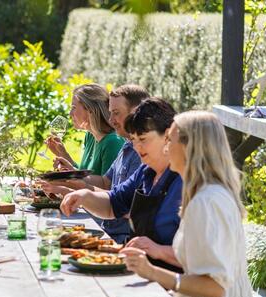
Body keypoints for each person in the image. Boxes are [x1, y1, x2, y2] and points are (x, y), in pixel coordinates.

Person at [120, 111, 257, 297]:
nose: (165, 147)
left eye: (170, 140)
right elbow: (202, 262)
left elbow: (214, 287)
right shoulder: (205, 195)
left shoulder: (207, 202)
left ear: (191, 146)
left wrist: (153, 273)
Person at [60, 98, 182, 269]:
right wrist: (84, 197)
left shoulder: (185, 181)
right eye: (133, 139)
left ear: (167, 136)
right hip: (139, 272)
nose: (137, 147)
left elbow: (201, 258)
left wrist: (158, 250)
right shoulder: (145, 172)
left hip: (172, 284)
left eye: (143, 139)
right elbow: (113, 204)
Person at [43, 84, 150, 243]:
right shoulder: (127, 145)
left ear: (136, 113)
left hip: (120, 236)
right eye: (110, 112)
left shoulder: (133, 150)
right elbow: (105, 182)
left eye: (115, 113)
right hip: (107, 227)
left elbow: (122, 204)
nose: (110, 119)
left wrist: (73, 187)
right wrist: (71, 178)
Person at [44, 83, 125, 176]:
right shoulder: (90, 136)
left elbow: (106, 187)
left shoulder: (113, 142)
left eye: (73, 108)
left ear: (90, 109)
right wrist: (63, 154)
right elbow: (85, 176)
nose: (70, 113)